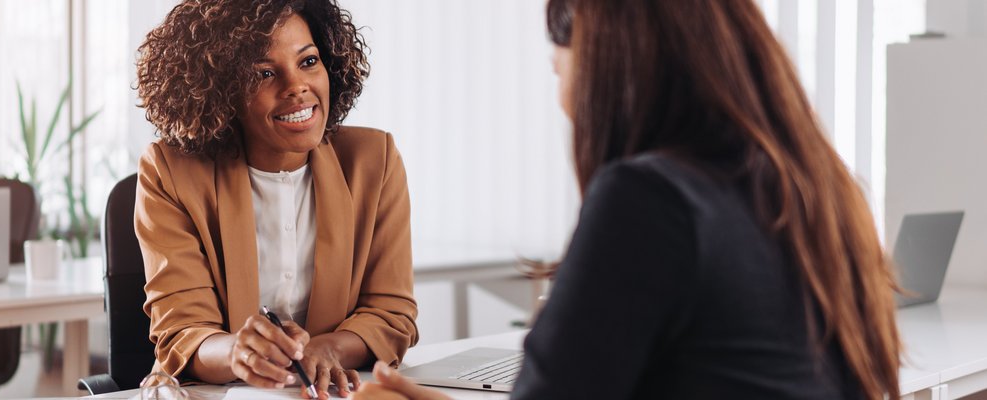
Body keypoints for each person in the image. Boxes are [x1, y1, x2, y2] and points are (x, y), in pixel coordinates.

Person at [354, 0, 901, 399]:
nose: (557, 78)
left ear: (610, 60)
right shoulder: (820, 191)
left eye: (561, 55)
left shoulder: (650, 201)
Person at [133, 1, 419, 398]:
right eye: (265, 73)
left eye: (308, 61)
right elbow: (182, 331)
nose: (297, 87)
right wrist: (238, 352)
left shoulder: (374, 160)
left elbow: (391, 313)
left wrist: (327, 349)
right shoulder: (170, 171)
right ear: (219, 90)